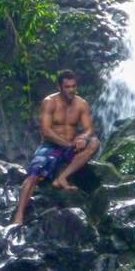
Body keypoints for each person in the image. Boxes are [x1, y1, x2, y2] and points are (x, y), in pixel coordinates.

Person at [10, 69, 100, 224]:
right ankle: (19, 215)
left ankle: (62, 177)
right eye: (67, 87)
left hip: (71, 147)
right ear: (59, 87)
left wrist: (83, 138)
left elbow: (89, 129)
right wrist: (68, 144)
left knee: (94, 143)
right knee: (34, 174)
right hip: (51, 146)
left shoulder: (81, 104)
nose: (71, 90)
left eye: (74, 86)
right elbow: (46, 131)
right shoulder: (50, 102)